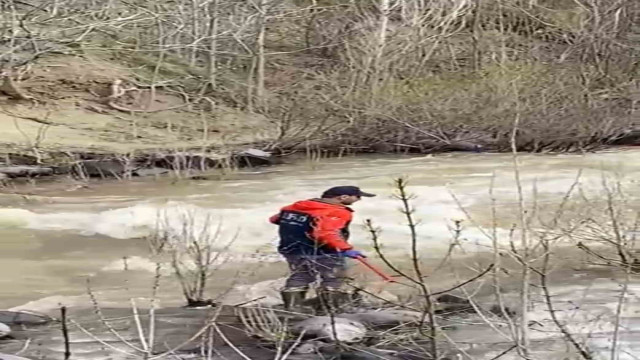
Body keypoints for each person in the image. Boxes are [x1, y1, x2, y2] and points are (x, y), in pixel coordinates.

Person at [269, 186, 375, 311]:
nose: (359, 199)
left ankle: (293, 306)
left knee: (301, 275)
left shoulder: (293, 207)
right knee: (334, 277)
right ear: (343, 197)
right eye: (357, 196)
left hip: (291, 249)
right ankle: (330, 308)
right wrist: (346, 249)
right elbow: (325, 233)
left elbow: (274, 219)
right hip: (322, 251)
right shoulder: (337, 212)